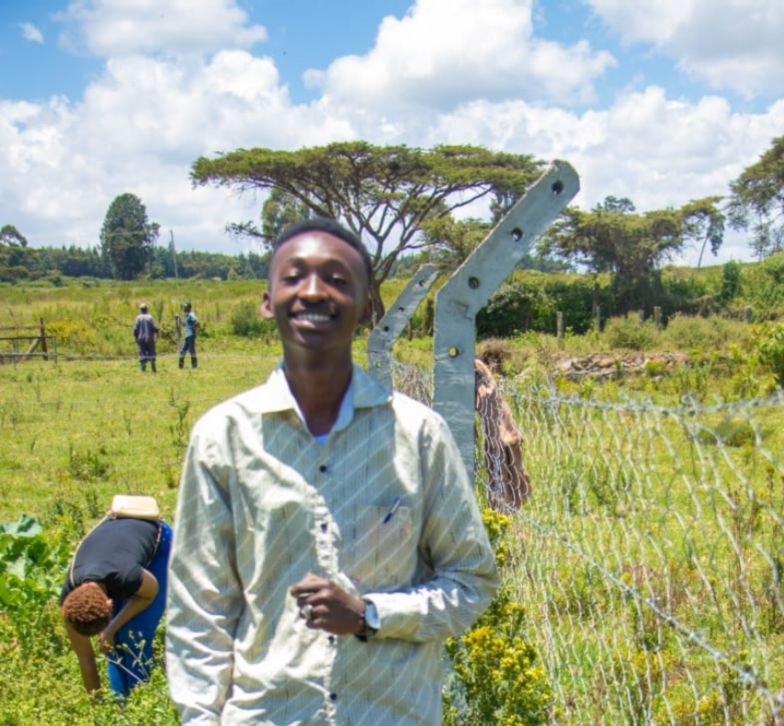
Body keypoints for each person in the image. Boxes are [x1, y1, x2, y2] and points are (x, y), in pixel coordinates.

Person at [166, 217, 499, 724]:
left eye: (338, 280)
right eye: (294, 276)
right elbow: (201, 606)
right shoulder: (224, 438)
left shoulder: (418, 435)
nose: (314, 292)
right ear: (266, 299)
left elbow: (471, 582)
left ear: (368, 306)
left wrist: (370, 615)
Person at [61, 516, 173, 696]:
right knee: (112, 645)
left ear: (109, 602)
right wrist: (98, 710)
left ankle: (140, 701)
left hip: (158, 540)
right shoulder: (70, 603)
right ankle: (121, 707)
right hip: (117, 549)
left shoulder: (128, 576)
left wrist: (112, 628)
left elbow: (149, 594)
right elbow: (85, 657)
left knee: (133, 635)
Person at [133, 303, 159, 372]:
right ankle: (153, 368)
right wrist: (157, 332)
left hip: (141, 338)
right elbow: (154, 328)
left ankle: (143, 369)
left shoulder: (138, 318)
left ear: (140, 310)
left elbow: (135, 330)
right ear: (146, 309)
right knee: (152, 352)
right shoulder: (150, 317)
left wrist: (136, 338)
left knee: (142, 353)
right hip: (149, 338)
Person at [178, 302, 199, 369]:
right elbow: (185, 325)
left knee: (191, 350)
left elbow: (197, 322)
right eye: (184, 307)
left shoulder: (191, 314)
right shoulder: (187, 316)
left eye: (186, 307)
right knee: (183, 350)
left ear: (189, 308)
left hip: (191, 335)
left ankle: (194, 365)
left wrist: (193, 327)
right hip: (187, 335)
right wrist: (179, 319)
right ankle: (181, 365)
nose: (184, 308)